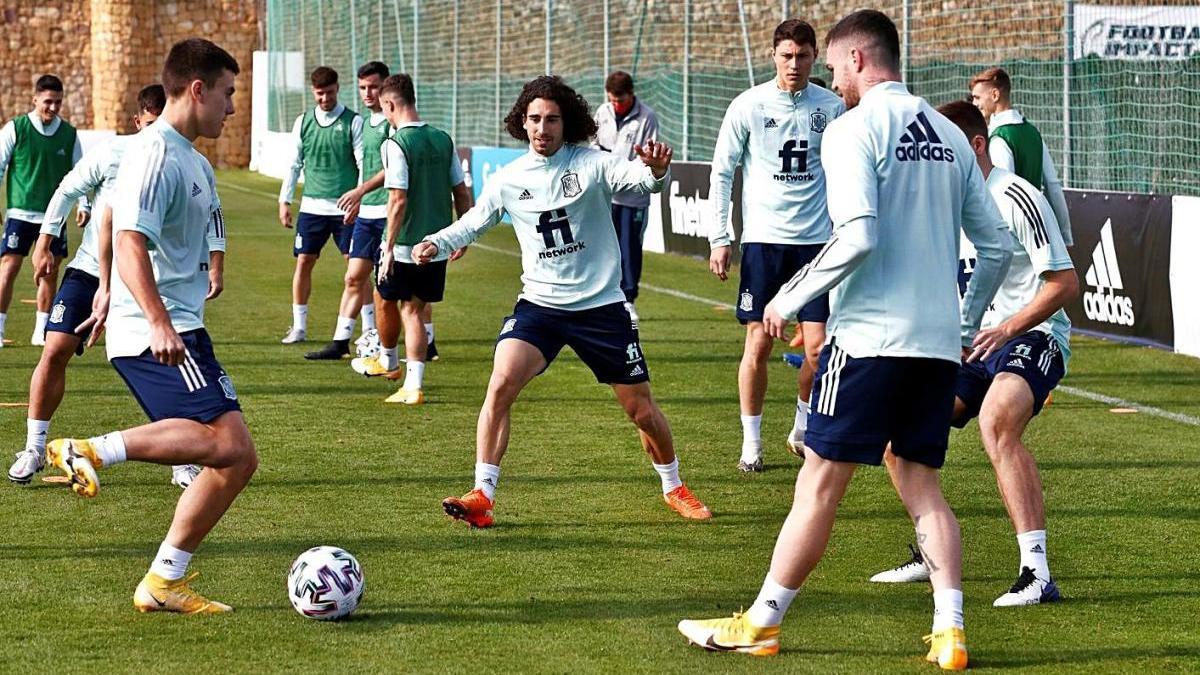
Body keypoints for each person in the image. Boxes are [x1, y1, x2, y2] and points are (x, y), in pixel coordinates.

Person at [678, 11, 1012, 670]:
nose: (830, 78)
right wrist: (966, 324)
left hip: (866, 342)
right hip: (936, 346)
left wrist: (788, 296)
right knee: (923, 486)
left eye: (832, 65)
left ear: (858, 58)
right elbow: (996, 246)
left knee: (818, 486)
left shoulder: (852, 126)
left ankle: (762, 621)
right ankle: (950, 631)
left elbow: (857, 234)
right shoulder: (949, 132)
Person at [412, 75, 711, 528]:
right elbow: (474, 221)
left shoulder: (591, 163)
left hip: (600, 309)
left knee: (642, 411)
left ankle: (674, 486)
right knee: (500, 384)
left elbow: (637, 181)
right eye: (534, 119)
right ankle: (483, 494)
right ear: (522, 123)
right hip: (540, 308)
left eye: (551, 119)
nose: (542, 128)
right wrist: (436, 241)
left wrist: (656, 171)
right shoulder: (511, 179)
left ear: (566, 122)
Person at [45, 38, 256, 614]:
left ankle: (164, 581)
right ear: (197, 90)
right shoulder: (154, 153)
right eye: (228, 94)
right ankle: (87, 447)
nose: (232, 108)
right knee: (230, 449)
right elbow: (128, 236)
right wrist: (158, 321)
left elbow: (117, 217)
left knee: (234, 455)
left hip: (181, 325)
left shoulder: (190, 157)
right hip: (159, 331)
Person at [869, 101, 1077, 608]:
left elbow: (1064, 283)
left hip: (1034, 334)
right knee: (899, 439)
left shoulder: (1015, 196)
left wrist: (1006, 327)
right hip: (969, 344)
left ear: (976, 146)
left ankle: (1037, 573)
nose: (936, 156)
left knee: (996, 421)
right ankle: (929, 549)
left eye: (948, 146)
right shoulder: (943, 204)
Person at [8, 85, 204, 489]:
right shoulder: (114, 153)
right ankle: (34, 447)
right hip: (90, 272)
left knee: (161, 365)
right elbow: (67, 190)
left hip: (143, 281)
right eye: (150, 123)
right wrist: (45, 239)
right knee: (55, 349)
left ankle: (181, 460)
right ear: (138, 122)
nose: (157, 132)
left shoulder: (185, 160)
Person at [707, 19, 845, 472]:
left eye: (803, 56)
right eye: (786, 56)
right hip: (765, 242)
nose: (794, 64)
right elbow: (722, 172)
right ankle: (751, 443)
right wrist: (720, 237)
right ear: (773, 56)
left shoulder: (834, 107)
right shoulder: (748, 105)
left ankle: (802, 425)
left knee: (818, 350)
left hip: (818, 245)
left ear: (813, 58)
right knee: (758, 344)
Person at [348, 73, 471, 404]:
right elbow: (461, 190)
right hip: (438, 244)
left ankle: (398, 370)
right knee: (411, 307)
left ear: (389, 104)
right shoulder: (443, 138)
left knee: (398, 304)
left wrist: (387, 248)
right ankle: (399, 371)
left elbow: (398, 199)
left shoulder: (396, 143)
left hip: (406, 245)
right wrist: (463, 234)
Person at [278, 66, 364, 357]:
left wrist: (360, 199)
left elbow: (364, 164)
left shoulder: (353, 122)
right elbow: (293, 163)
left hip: (345, 209)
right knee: (303, 262)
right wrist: (284, 201)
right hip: (312, 207)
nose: (324, 98)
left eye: (329, 92)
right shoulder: (303, 122)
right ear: (312, 92)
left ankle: (369, 329)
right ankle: (299, 326)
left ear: (337, 88)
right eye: (319, 94)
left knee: (356, 267)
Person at [0, 74, 88, 348]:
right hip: (20, 213)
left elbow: (80, 174)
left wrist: (84, 204)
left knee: (48, 272)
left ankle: (41, 330)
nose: (52, 107)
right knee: (8, 268)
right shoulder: (16, 128)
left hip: (54, 218)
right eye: (48, 102)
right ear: (35, 99)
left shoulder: (69, 135)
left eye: (58, 103)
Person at [970, 67, 1073, 246]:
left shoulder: (998, 138)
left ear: (995, 95)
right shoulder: (1033, 133)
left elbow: (1003, 195)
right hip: (1039, 236)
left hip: (1012, 239)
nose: (974, 103)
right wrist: (1066, 237)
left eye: (977, 97)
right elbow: (1053, 187)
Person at [593, 70, 659, 321]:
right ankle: (605, 297)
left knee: (630, 247)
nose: (616, 105)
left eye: (620, 100)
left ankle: (628, 299)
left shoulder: (647, 117)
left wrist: (622, 172)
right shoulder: (602, 112)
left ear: (631, 95)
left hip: (633, 196)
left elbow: (647, 156)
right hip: (606, 195)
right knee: (604, 245)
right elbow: (594, 146)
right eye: (612, 100)